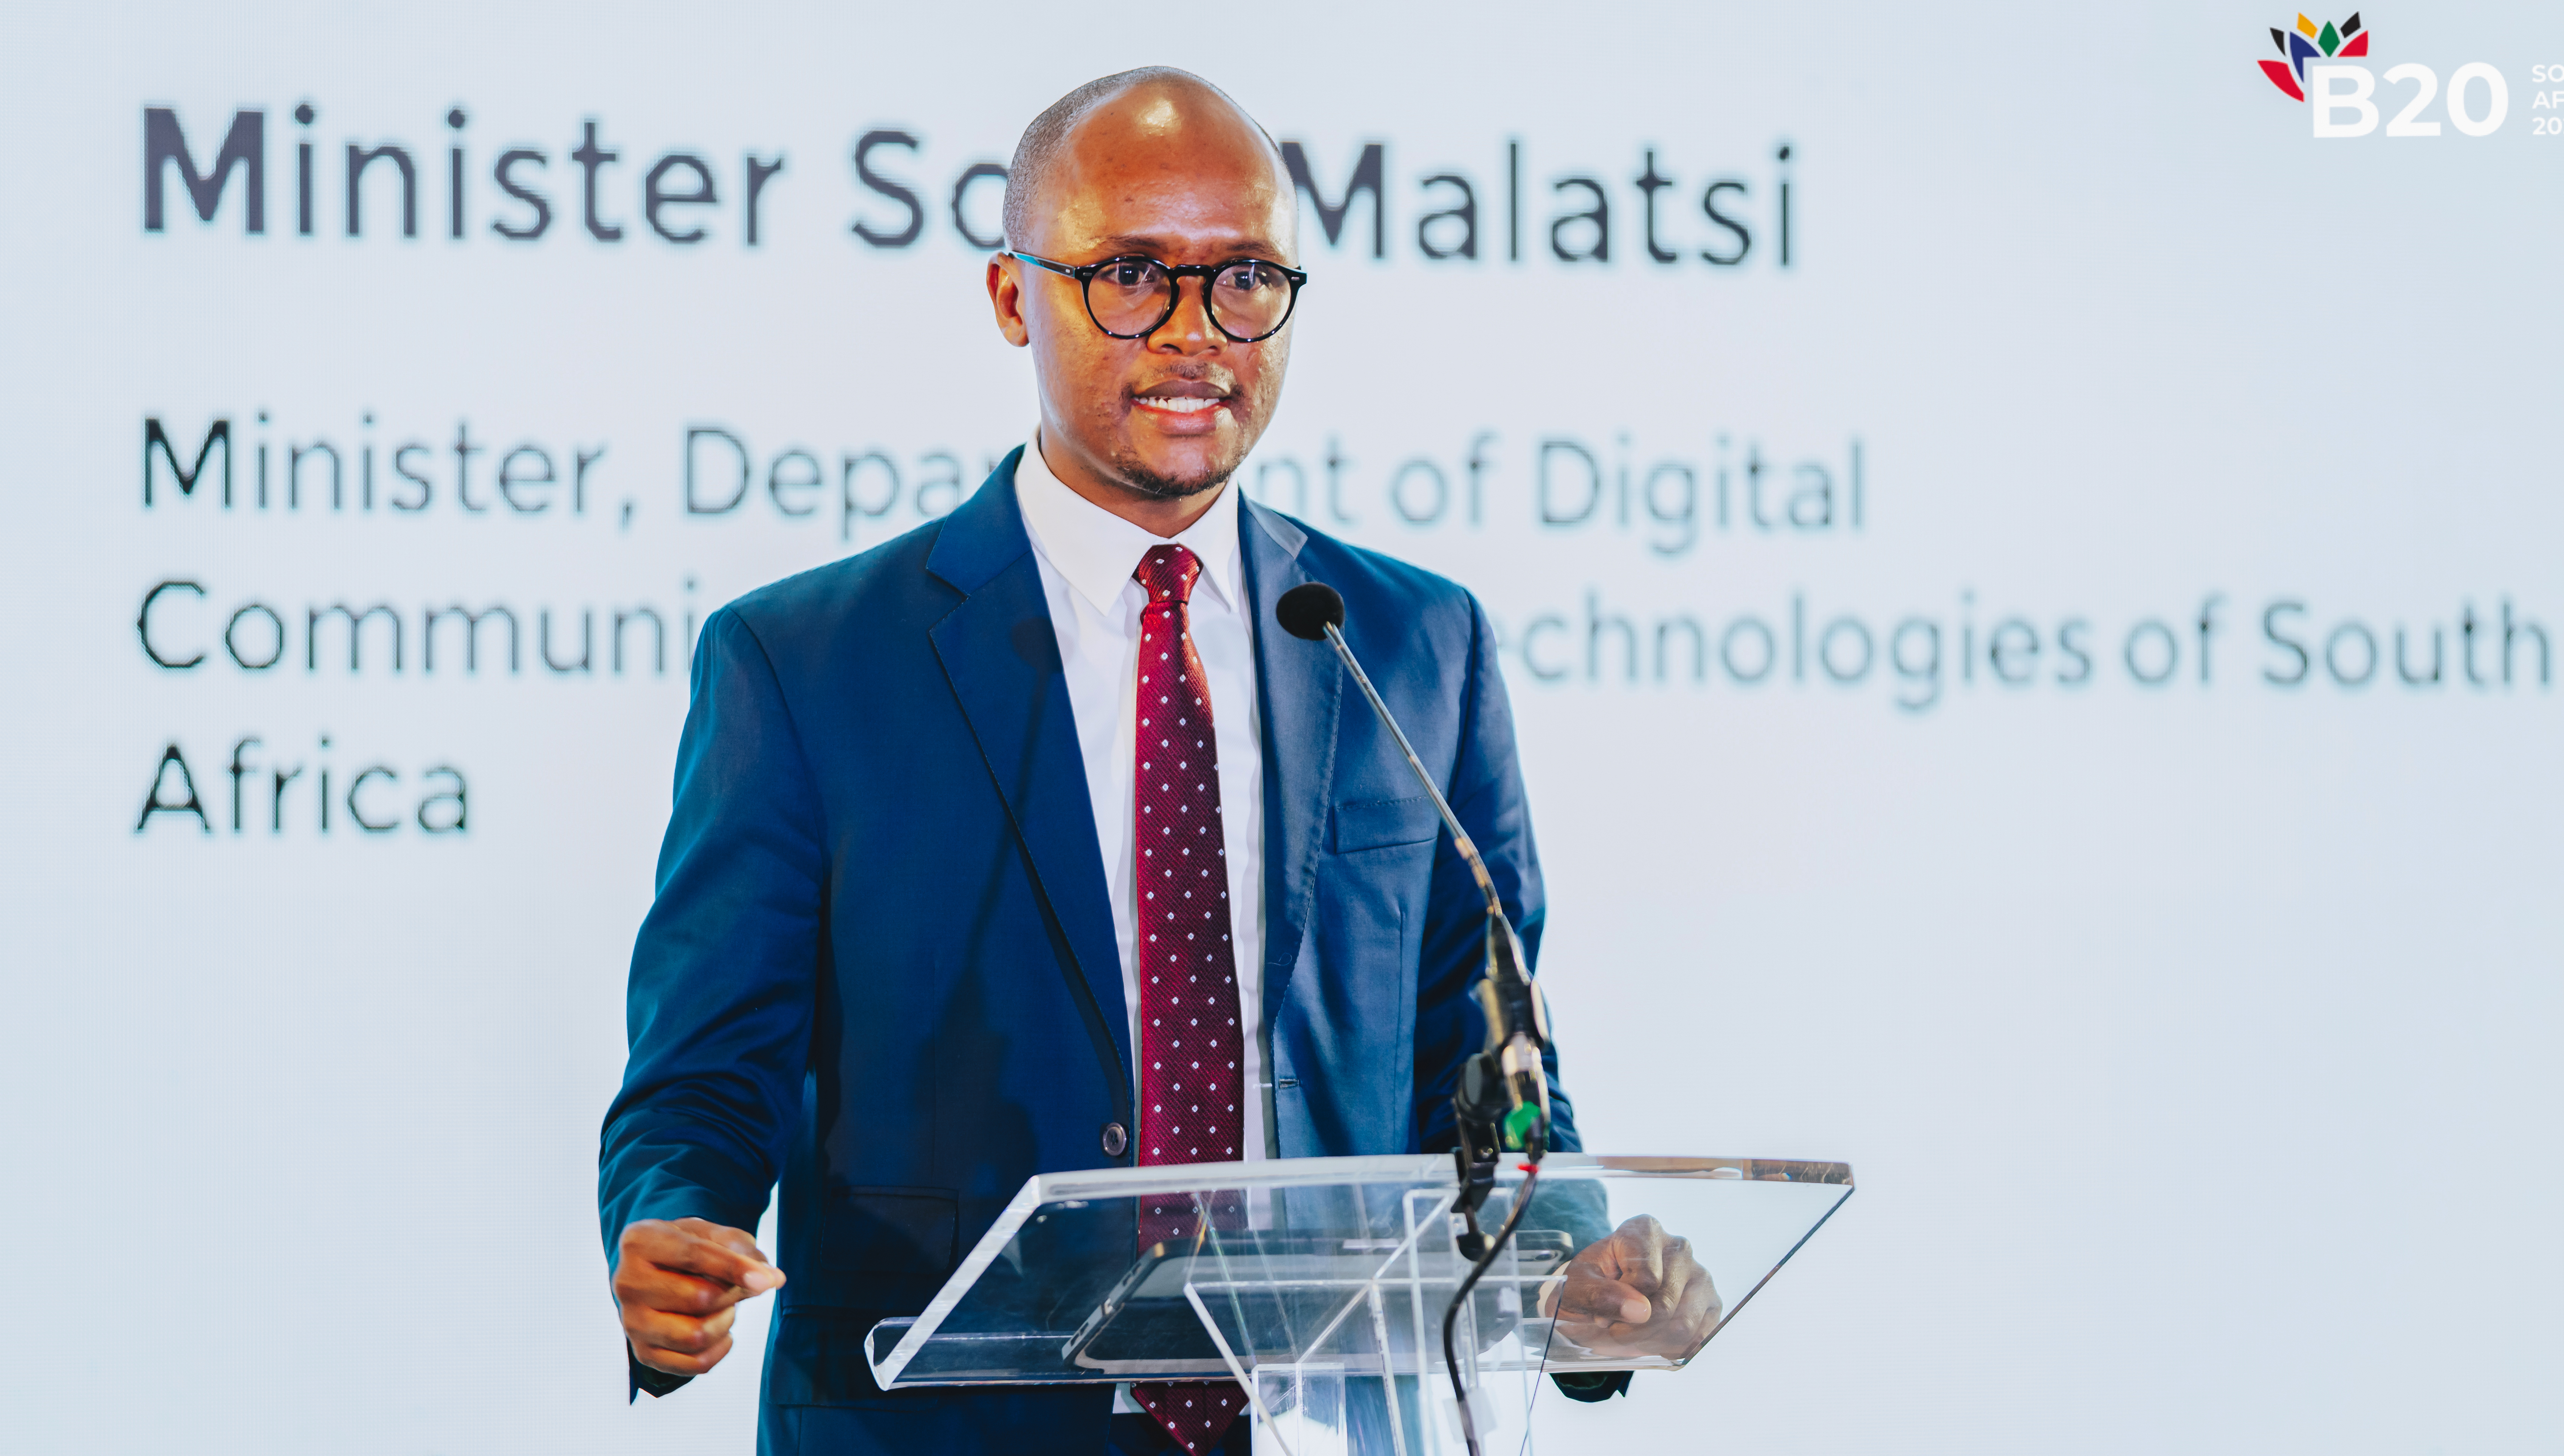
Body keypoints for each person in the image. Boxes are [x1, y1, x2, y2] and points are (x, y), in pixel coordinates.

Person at [598, 67, 1713, 1456]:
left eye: (1245, 280)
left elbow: (1489, 1070)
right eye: (1132, 277)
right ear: (1014, 298)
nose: (1197, 336)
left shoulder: (1415, 644)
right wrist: (670, 1230)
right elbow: (707, 1074)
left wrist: (1570, 1270)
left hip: (1329, 1424)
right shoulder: (809, 663)